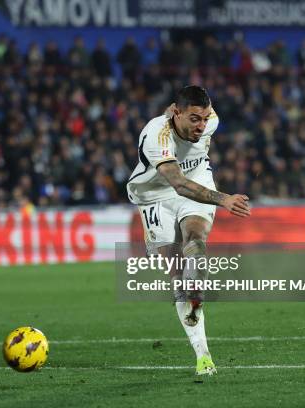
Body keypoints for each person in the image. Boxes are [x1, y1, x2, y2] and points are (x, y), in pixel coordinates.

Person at [126, 86, 251, 376]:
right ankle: (189, 292)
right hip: (155, 196)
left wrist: (217, 197)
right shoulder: (157, 135)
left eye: (205, 118)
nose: (202, 126)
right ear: (176, 112)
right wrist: (224, 200)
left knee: (195, 239)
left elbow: (187, 184)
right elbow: (177, 184)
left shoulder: (211, 121)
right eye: (194, 119)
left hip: (198, 182)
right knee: (176, 275)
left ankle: (203, 356)